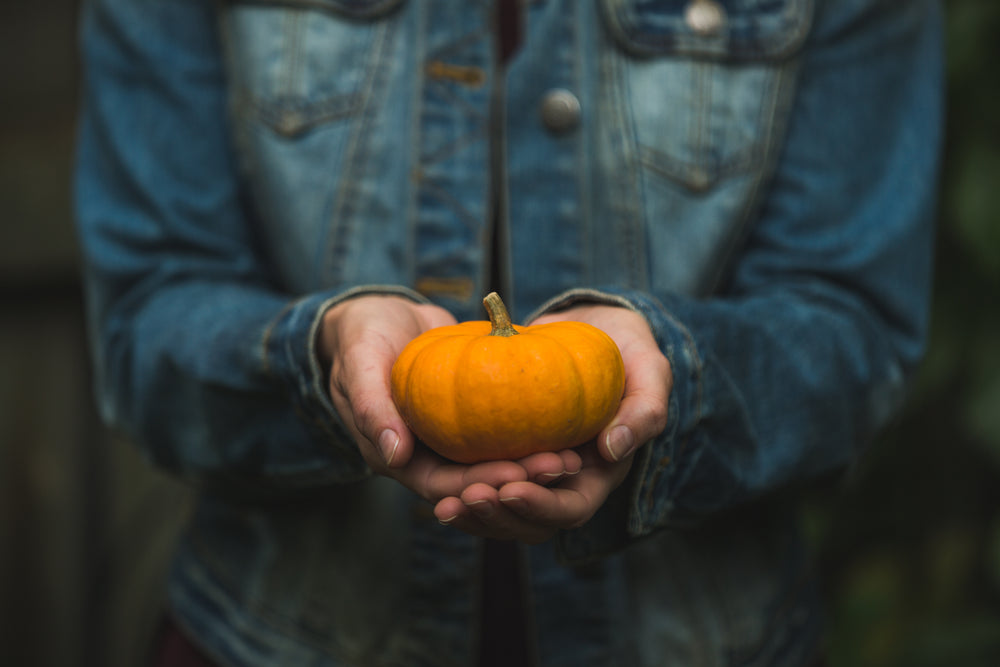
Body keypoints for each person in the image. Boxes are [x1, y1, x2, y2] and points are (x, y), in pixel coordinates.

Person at [74, 0, 943, 664]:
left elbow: (853, 324)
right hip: (271, 636)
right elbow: (148, 313)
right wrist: (320, 353)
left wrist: (673, 371)